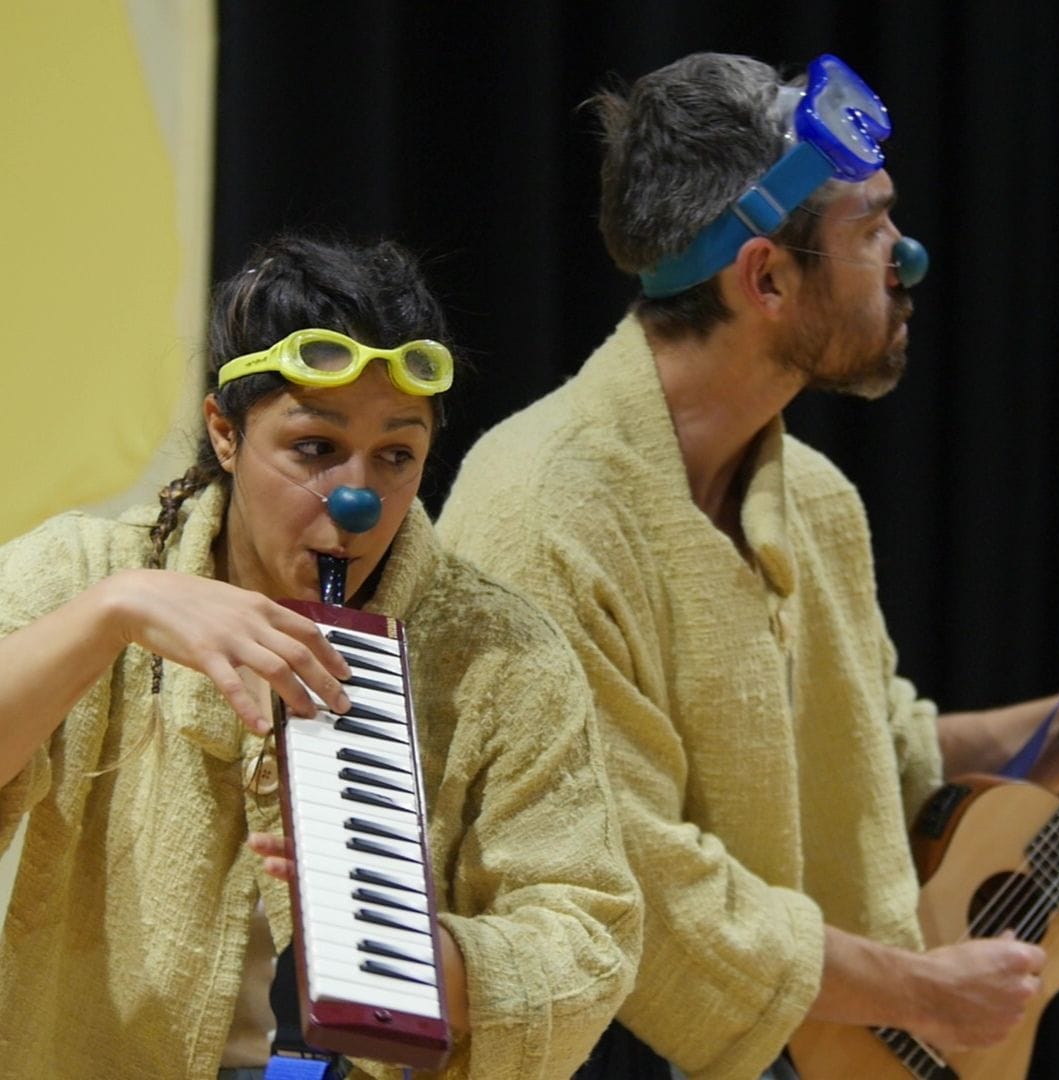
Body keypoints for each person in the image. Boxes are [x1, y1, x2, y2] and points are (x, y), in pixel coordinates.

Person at [437, 53, 1059, 1079]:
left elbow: (879, 763)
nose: (908, 258)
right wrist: (922, 991)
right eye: (872, 231)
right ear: (768, 278)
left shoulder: (816, 501)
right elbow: (632, 888)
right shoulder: (538, 508)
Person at [0, 234, 641, 1080]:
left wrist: (407, 948)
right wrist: (111, 614)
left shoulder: (502, 652)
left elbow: (586, 938)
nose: (358, 498)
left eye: (396, 455)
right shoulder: (91, 575)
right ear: (225, 433)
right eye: (314, 448)